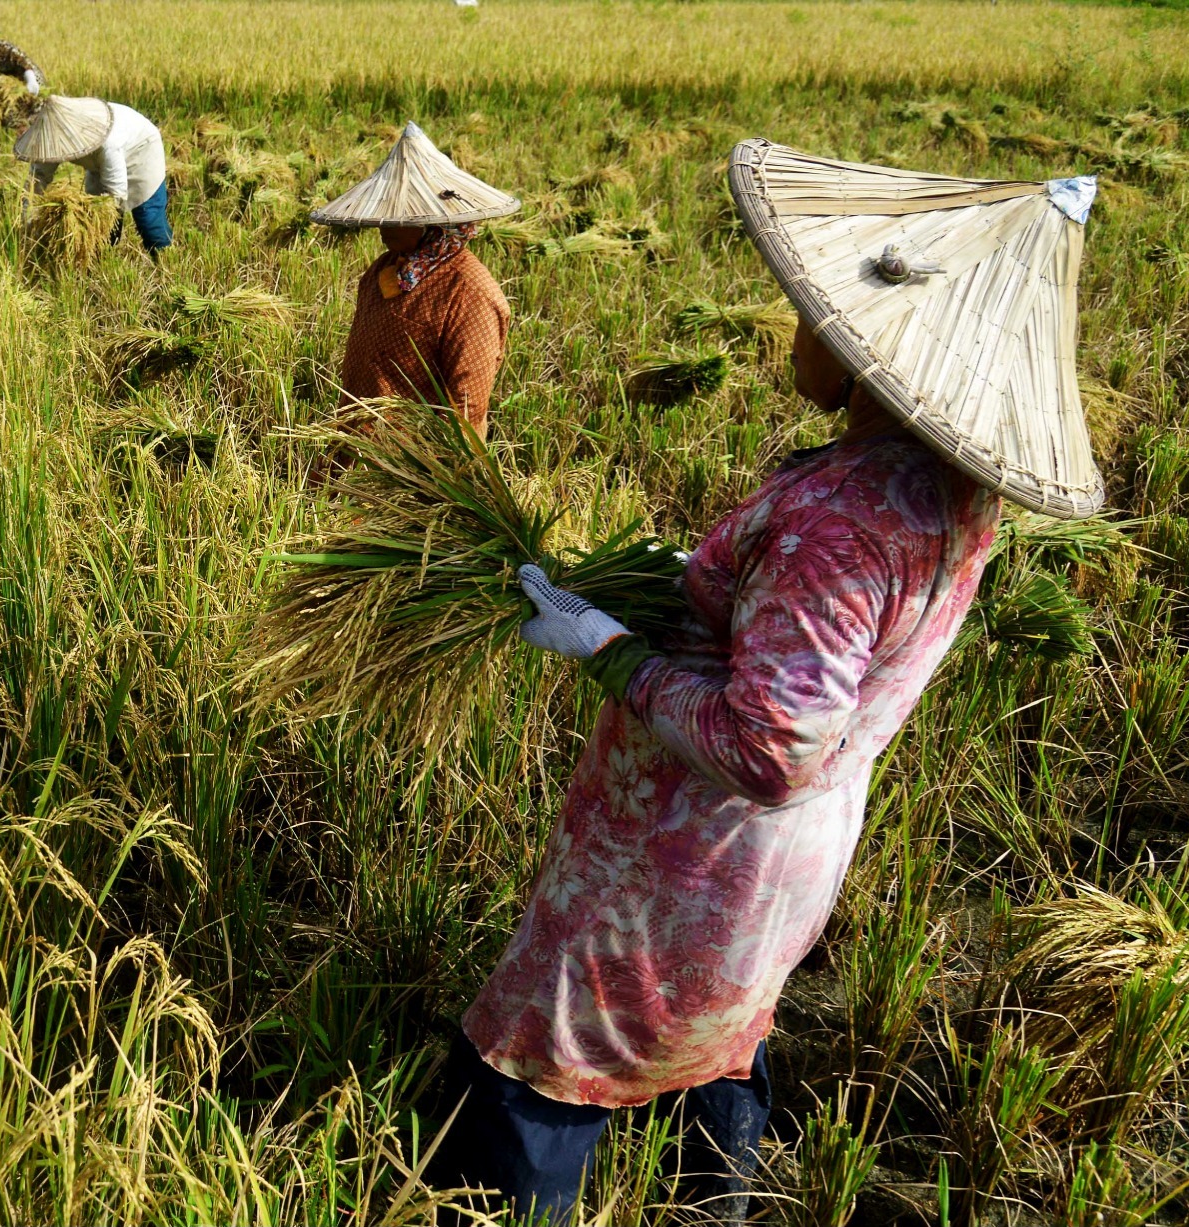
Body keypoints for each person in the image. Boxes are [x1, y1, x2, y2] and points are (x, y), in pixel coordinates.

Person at [433, 140, 1106, 1221]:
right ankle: (721, 1202)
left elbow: (772, 749)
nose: (796, 325)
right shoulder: (944, 491)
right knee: (720, 1026)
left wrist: (613, 651)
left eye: (815, 313)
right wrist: (696, 592)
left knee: (556, 1049)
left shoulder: (840, 523)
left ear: (873, 354)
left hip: (689, 857)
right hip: (784, 865)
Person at [309, 122, 518, 437]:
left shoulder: (469, 293)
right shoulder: (385, 269)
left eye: (398, 216)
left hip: (415, 461)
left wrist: (445, 472)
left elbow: (467, 405)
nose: (383, 223)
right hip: (358, 444)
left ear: (431, 225)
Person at [14, 96, 172, 260]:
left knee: (148, 220)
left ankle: (164, 261)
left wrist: (104, 218)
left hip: (141, 150)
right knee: (98, 229)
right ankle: (105, 261)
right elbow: (37, 179)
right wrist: (27, 218)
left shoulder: (107, 143)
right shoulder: (51, 139)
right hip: (98, 163)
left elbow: (116, 192)